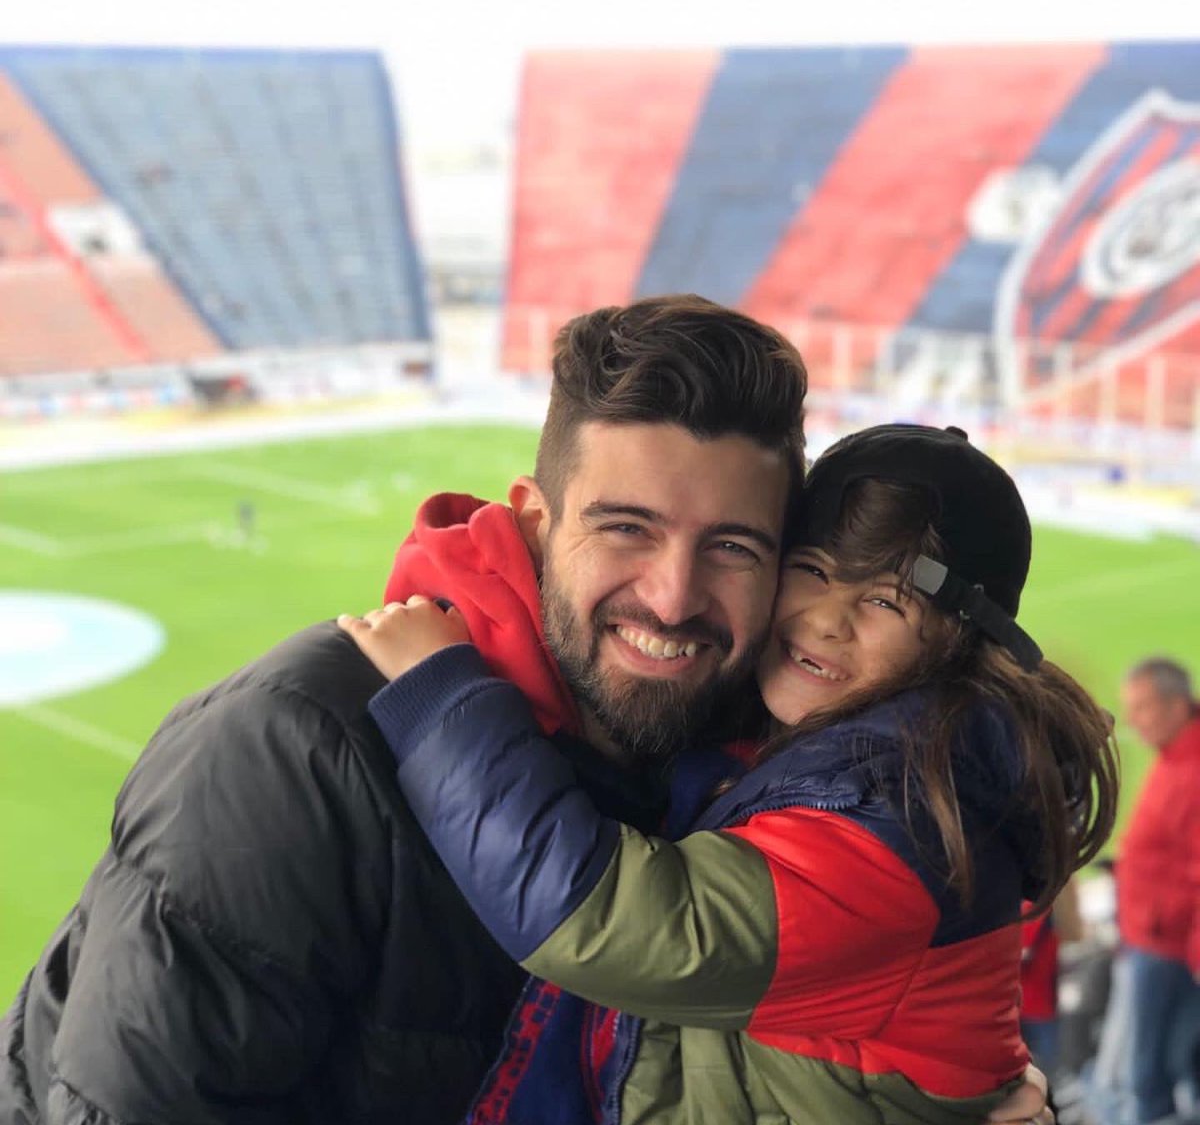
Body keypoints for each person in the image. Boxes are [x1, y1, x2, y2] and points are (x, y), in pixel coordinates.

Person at [0, 297, 1050, 1125]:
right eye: (626, 529)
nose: (675, 596)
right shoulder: (296, 750)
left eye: (734, 547)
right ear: (537, 522)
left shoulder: (747, 748)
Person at [340, 423, 1117, 1125]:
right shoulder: (857, 744)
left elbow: (601, 922)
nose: (826, 617)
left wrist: (443, 697)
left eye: (885, 599)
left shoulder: (903, 817)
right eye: (812, 569)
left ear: (962, 644)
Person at [1114, 658, 1200, 1124]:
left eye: (1142, 708)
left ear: (1175, 704)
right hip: (1153, 939)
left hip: (1170, 952)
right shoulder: (1177, 756)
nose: (1135, 722)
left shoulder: (1193, 767)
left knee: (1152, 1077)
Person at [1019, 879, 1085, 1078]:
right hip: (1039, 1001)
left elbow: (1023, 954)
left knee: (1045, 1071)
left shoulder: (1035, 908)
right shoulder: (1051, 909)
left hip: (1031, 1002)